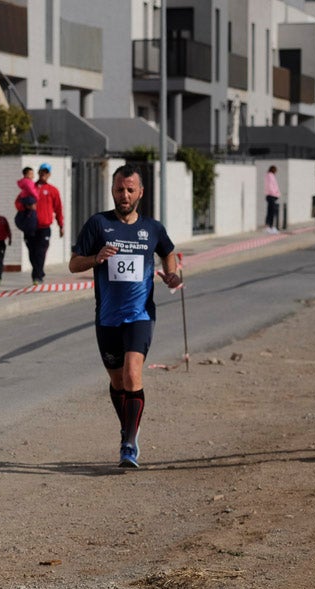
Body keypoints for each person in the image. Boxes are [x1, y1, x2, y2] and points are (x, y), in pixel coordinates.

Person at [68, 164, 181, 468]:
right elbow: (74, 264)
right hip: (107, 318)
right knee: (118, 382)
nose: (125, 195)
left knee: (132, 374)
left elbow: (168, 251)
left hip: (140, 314)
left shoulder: (152, 228)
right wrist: (96, 258)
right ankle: (128, 425)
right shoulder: (98, 224)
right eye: (120, 189)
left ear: (141, 192)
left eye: (131, 189)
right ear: (113, 190)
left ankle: (129, 443)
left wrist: (172, 274)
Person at [21, 162, 65, 285]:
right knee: (32, 253)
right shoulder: (30, 188)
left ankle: (37, 276)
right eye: (42, 171)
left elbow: (58, 209)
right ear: (38, 172)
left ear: (49, 174)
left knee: (40, 252)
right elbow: (18, 203)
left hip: (44, 227)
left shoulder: (53, 190)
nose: (43, 174)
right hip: (30, 226)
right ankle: (39, 272)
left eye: (46, 172)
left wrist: (61, 225)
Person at [264, 165, 281, 234]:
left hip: (272, 195)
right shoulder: (270, 176)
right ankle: (270, 227)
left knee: (271, 212)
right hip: (271, 196)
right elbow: (271, 186)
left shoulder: (270, 176)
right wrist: (275, 193)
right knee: (271, 212)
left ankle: (270, 226)